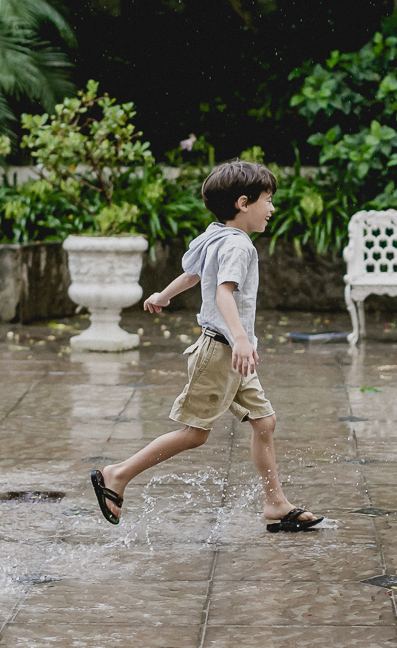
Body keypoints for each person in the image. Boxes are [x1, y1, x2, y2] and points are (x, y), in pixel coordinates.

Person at [90, 160, 324, 533]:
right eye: (267, 200)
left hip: (231, 353)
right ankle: (117, 474)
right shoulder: (237, 245)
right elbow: (222, 293)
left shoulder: (216, 235)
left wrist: (163, 295)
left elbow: (195, 273)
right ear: (244, 202)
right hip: (221, 353)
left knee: (264, 422)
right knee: (195, 434)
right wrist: (243, 340)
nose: (272, 208)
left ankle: (275, 504)